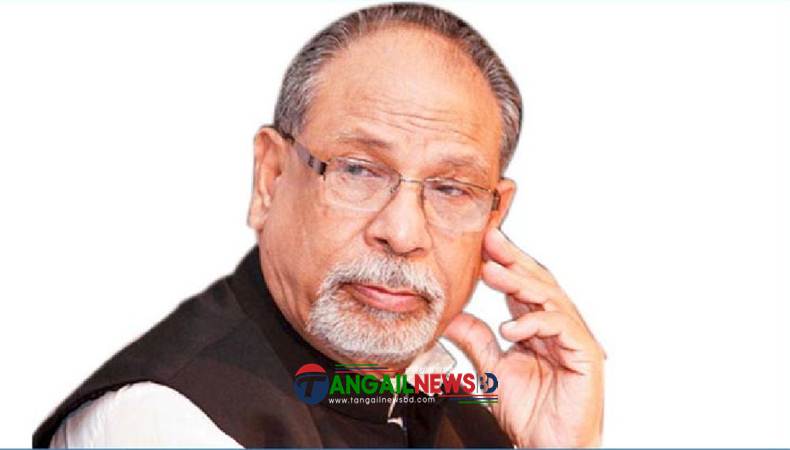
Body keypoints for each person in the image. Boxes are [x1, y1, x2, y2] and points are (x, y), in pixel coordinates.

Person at [33, 3, 605, 447]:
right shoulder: (161, 422)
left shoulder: (451, 397)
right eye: (359, 170)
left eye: (451, 188)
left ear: (494, 216)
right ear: (271, 177)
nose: (403, 233)